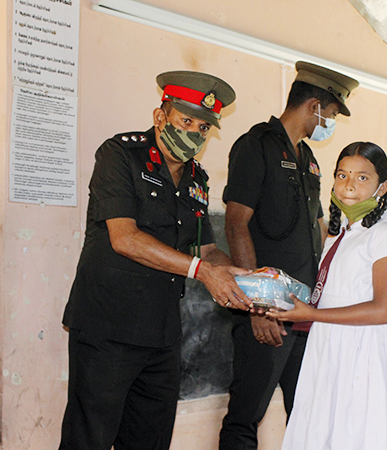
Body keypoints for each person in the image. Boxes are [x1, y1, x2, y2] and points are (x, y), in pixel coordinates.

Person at [59, 71, 252, 450]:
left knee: (150, 440)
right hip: (108, 328)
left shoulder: (198, 179)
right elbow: (125, 238)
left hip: (162, 334)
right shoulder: (119, 155)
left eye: (203, 127)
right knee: (90, 439)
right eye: (186, 121)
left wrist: (242, 275)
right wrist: (203, 271)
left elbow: (206, 250)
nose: (194, 134)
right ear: (160, 116)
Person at [220, 61, 358, 449]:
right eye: (330, 114)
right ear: (314, 105)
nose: (329, 122)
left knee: (307, 412)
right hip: (268, 308)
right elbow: (235, 224)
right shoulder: (256, 145)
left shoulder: (309, 159)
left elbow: (318, 230)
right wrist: (258, 307)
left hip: (304, 310)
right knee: (246, 415)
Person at [268, 142, 387, 450]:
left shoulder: (383, 234)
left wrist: (312, 315)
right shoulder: (342, 233)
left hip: (363, 351)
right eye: (342, 175)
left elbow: (384, 310)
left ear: (383, 185)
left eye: (362, 178)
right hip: (330, 345)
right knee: (324, 432)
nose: (349, 185)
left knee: (356, 434)